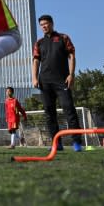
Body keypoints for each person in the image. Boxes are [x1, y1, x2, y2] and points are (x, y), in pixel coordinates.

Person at [32, 14, 82, 152]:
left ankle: (77, 143)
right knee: (49, 113)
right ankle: (56, 143)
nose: (44, 26)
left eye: (46, 24)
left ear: (52, 23)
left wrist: (71, 75)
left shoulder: (63, 38)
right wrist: (34, 78)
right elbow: (36, 60)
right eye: (41, 25)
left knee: (69, 109)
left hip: (62, 81)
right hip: (45, 82)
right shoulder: (39, 43)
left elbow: (71, 56)